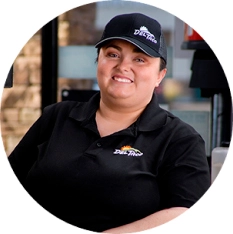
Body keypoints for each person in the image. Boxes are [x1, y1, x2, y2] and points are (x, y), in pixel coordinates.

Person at [8, 13, 210, 233]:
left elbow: (186, 213)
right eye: (113, 54)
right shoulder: (57, 116)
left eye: (140, 59)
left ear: (160, 75)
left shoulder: (180, 139)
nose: (123, 66)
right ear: (98, 61)